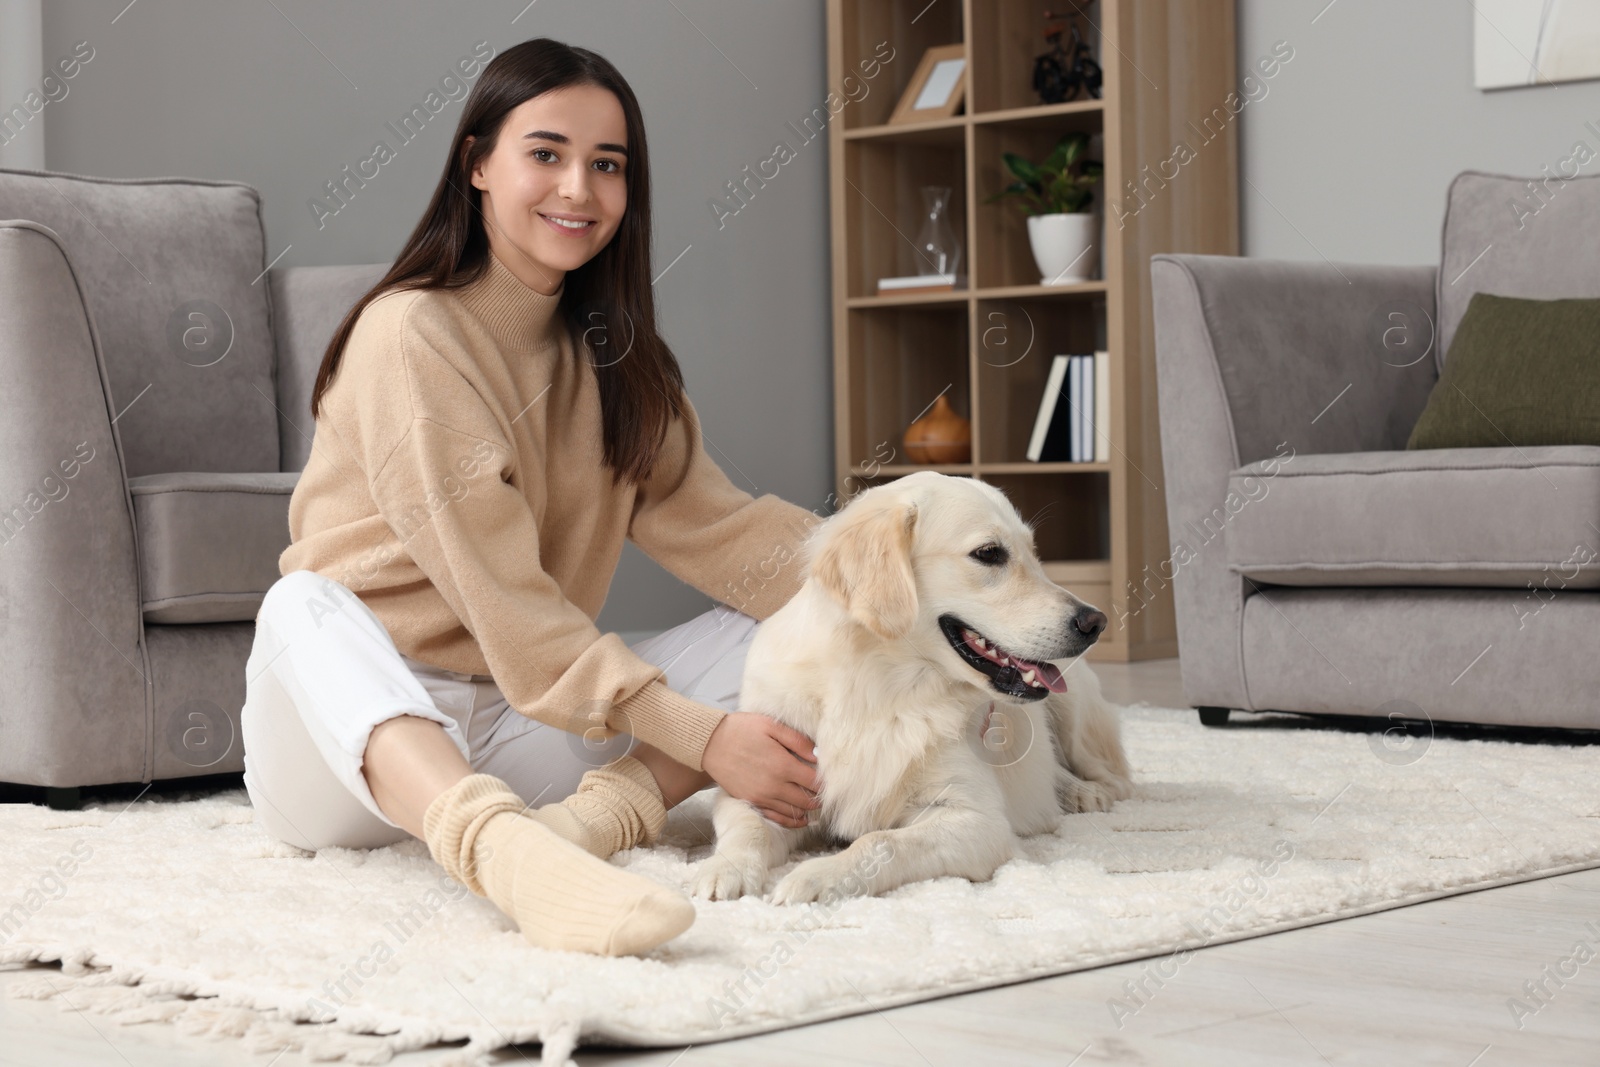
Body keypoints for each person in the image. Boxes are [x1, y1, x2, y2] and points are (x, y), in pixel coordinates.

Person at [240, 37, 824, 959]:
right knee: (300, 605)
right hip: (345, 747)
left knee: (800, 624)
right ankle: (510, 860)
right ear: (477, 164)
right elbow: (509, 605)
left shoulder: (621, 362)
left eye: (608, 165)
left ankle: (586, 826)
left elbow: (732, 532)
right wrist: (704, 739)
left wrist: (925, 601)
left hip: (517, 730)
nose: (578, 191)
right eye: (545, 154)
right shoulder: (412, 334)